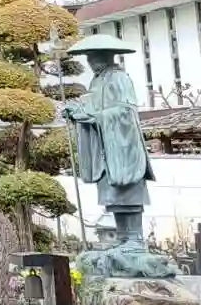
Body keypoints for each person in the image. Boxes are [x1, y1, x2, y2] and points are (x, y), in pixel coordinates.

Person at [62, 38, 153, 246]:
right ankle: (123, 238)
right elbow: (91, 107)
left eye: (94, 58)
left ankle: (134, 238)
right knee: (113, 197)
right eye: (89, 59)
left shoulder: (119, 78)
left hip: (121, 147)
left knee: (128, 194)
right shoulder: (97, 81)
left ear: (106, 57)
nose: (91, 63)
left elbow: (126, 111)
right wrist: (76, 112)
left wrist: (96, 117)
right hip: (105, 148)